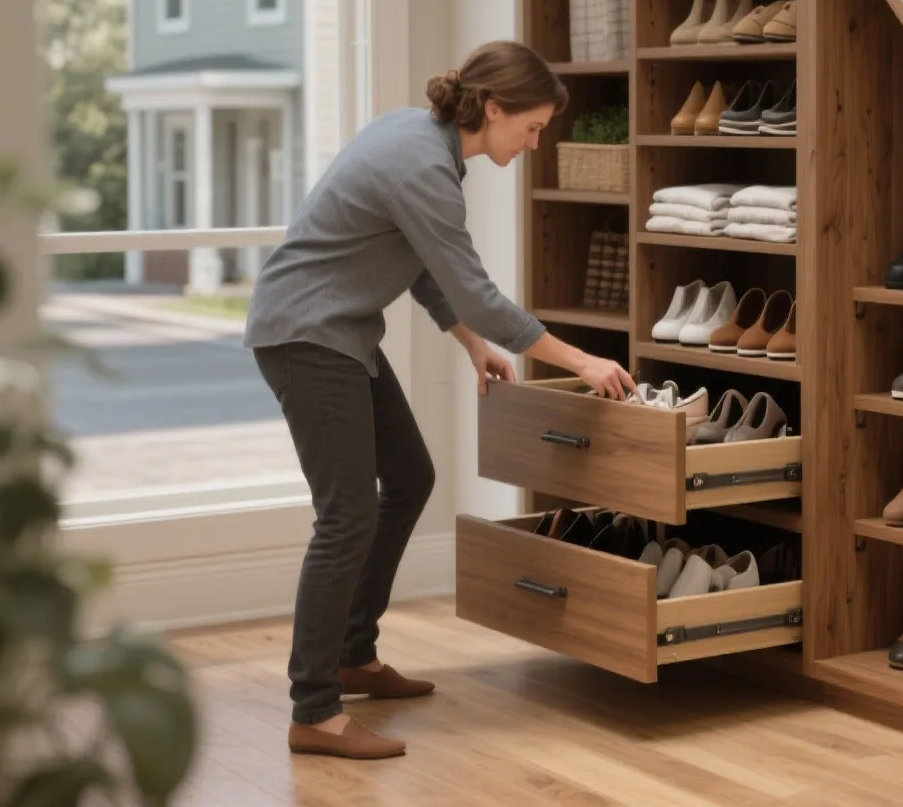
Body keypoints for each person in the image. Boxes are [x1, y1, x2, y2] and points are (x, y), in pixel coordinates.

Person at [244, 40, 634, 760]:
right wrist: (578, 359)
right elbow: (476, 291)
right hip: (306, 335)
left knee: (411, 477)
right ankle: (314, 710)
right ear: (493, 108)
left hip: (340, 331)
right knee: (346, 515)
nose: (536, 141)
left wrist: (469, 343)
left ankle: (352, 654)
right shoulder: (424, 165)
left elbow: (426, 265)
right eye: (534, 127)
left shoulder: (419, 140)